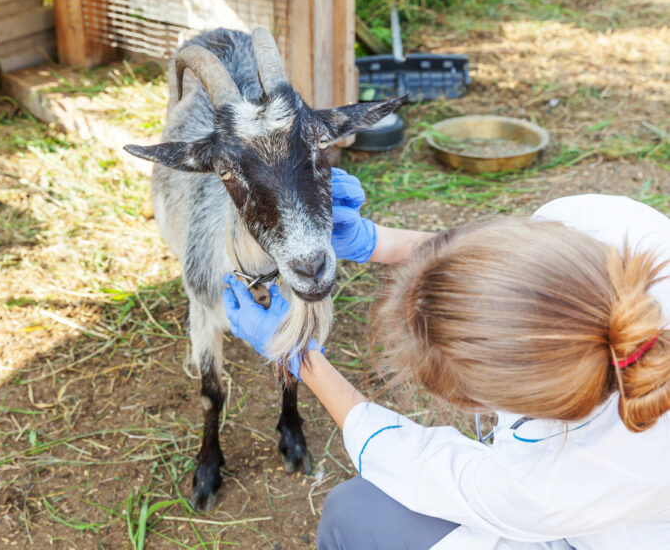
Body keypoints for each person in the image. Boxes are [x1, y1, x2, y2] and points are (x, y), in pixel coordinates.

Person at [222, 168, 670, 550]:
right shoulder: (613, 227)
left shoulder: (546, 485)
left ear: (478, 406)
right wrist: (378, 243)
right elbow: (502, 265)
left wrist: (298, 352)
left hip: (611, 536)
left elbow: (415, 462)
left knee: (354, 515)